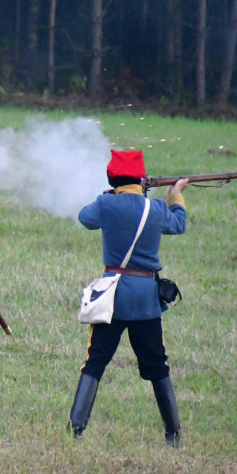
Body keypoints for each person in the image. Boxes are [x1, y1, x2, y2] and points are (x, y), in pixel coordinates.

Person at [67, 149, 189, 445]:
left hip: (112, 298)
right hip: (146, 299)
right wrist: (175, 194)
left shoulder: (107, 204)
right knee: (157, 364)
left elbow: (85, 218)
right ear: (140, 180)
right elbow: (179, 223)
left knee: (95, 360)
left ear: (113, 178)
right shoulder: (157, 208)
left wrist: (111, 195)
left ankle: (75, 430)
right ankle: (173, 433)